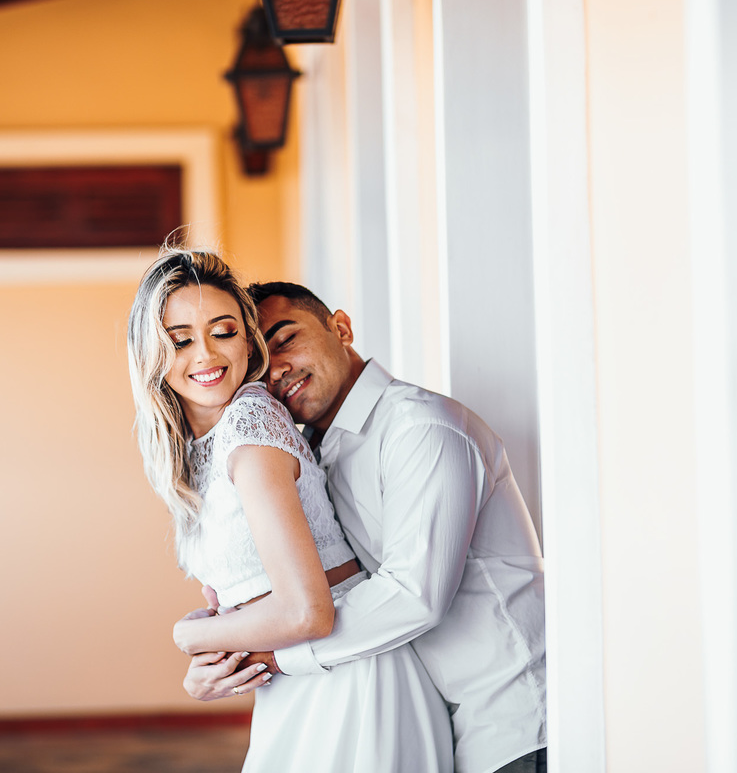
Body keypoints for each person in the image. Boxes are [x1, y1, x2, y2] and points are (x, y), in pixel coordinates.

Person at [183, 281, 547, 773]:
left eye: (286, 339)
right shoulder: (307, 452)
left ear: (341, 327)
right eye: (260, 365)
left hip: (511, 719)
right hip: (431, 717)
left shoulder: (421, 427)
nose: (278, 371)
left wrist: (272, 656)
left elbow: (414, 595)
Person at [127, 249, 453, 773]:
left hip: (352, 683)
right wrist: (208, 665)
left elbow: (306, 611)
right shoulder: (198, 447)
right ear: (150, 353)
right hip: (295, 684)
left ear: (246, 340)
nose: (206, 355)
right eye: (180, 339)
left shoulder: (250, 425)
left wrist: (189, 637)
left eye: (224, 331)